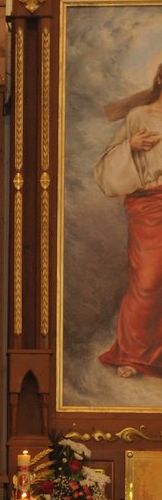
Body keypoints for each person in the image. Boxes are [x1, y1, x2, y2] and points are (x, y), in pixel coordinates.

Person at [95, 64, 162, 378]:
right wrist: (130, 146)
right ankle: (134, 354)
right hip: (149, 205)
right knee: (147, 281)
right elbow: (106, 166)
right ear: (160, 79)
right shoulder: (138, 116)